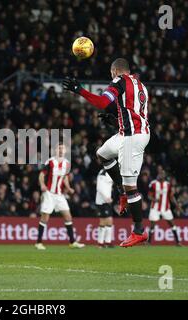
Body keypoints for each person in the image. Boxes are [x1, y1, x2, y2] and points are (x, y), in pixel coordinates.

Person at [63, 58, 150, 247]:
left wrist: (79, 89)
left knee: (131, 187)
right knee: (102, 154)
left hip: (132, 137)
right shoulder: (141, 85)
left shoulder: (119, 81)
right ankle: (121, 190)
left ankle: (139, 230)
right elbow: (131, 111)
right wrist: (115, 120)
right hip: (128, 132)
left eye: (111, 73)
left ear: (114, 71)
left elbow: (103, 102)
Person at [35, 144, 84, 250]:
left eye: (63, 148)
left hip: (60, 195)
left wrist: (69, 187)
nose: (61, 150)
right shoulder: (50, 162)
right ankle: (38, 242)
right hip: (49, 193)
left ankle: (72, 242)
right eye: (59, 148)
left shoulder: (67, 163)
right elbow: (42, 175)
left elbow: (65, 177)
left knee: (68, 216)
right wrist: (42, 185)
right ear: (55, 150)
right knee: (45, 217)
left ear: (65, 150)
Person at [147, 169, 182, 246]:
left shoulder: (168, 185)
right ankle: (148, 242)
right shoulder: (153, 184)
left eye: (162, 174)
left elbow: (171, 197)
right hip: (155, 207)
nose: (161, 175)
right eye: (159, 173)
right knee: (152, 225)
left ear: (164, 175)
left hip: (166, 208)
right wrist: (154, 199)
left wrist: (176, 205)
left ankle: (178, 242)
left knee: (172, 224)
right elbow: (149, 196)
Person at [95, 168, 114, 248]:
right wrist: (106, 197)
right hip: (102, 201)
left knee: (109, 221)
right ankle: (100, 243)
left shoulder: (111, 173)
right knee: (104, 221)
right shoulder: (103, 172)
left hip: (107, 201)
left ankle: (107, 242)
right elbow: (99, 187)